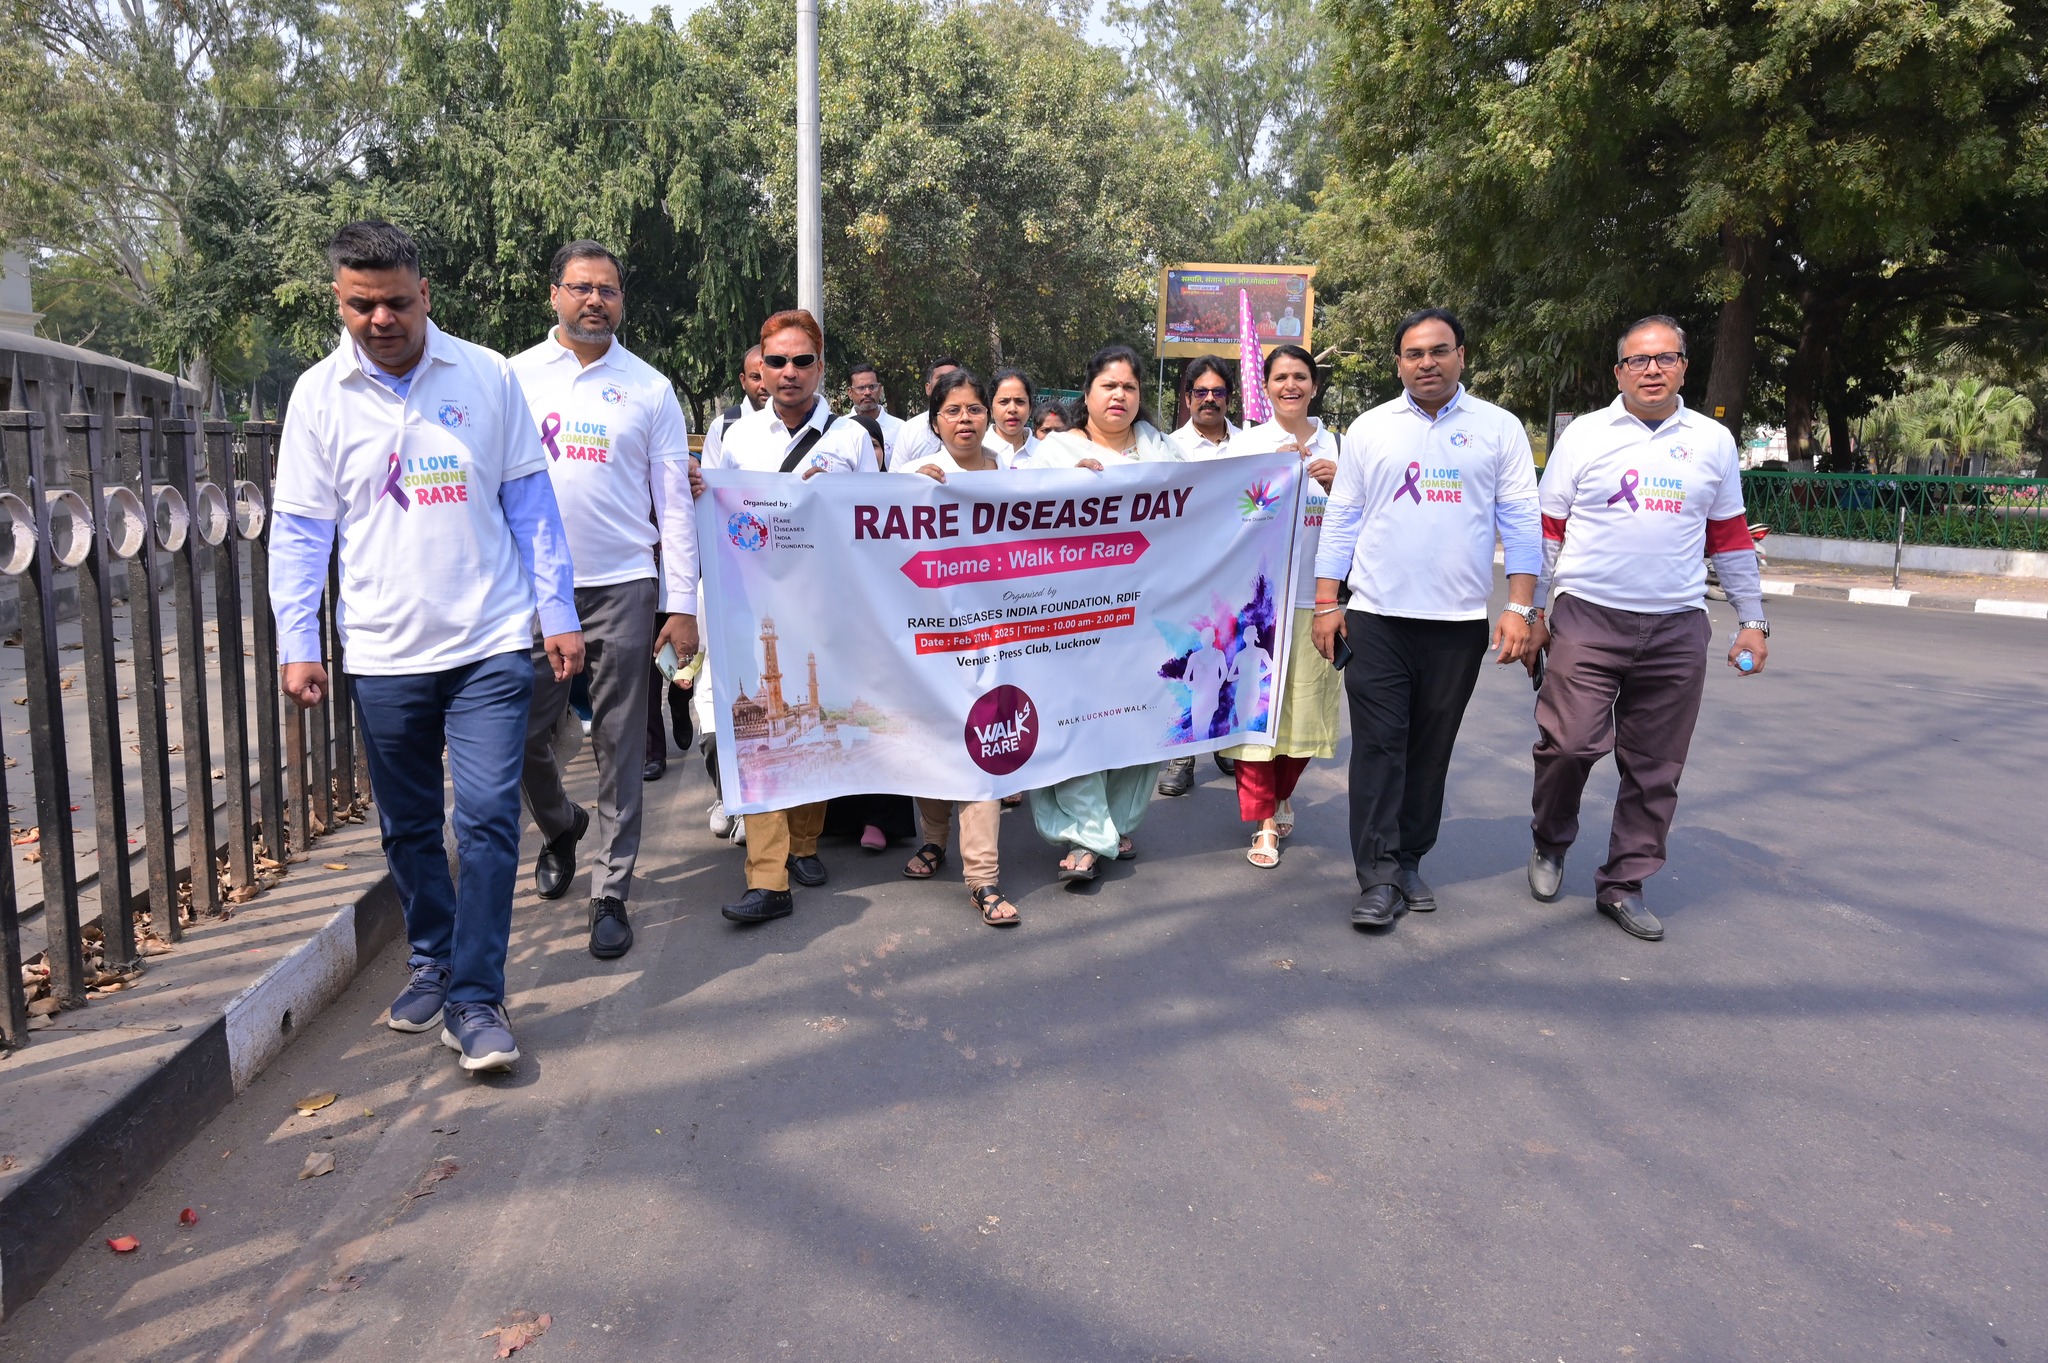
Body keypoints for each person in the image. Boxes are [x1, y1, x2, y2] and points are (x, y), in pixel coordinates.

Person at [271, 220, 583, 1072]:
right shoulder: (316, 397)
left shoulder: (486, 376)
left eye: (397, 302)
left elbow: (531, 505)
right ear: (338, 300)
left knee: (483, 818)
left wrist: (555, 611)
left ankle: (477, 999)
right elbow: (300, 532)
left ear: (425, 296)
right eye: (360, 305)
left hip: (487, 642)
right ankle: (434, 958)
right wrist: (299, 638)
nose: (380, 319)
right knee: (408, 827)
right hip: (381, 652)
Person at [1526, 315, 1769, 942]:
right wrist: (1533, 612)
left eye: (1665, 357)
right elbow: (1547, 529)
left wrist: (1753, 619)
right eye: (1639, 360)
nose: (1652, 369)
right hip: (1588, 614)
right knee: (1570, 745)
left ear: (1685, 365)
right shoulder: (1584, 436)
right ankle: (1550, 842)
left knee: (1656, 766)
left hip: (1677, 625)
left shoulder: (1713, 441)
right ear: (1619, 372)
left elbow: (1730, 539)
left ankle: (1624, 882)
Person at [1312, 308, 1542, 930]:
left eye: (1439, 351)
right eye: (1414, 354)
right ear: (1399, 363)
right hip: (1377, 617)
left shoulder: (1499, 429)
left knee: (1429, 750)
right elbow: (1343, 518)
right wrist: (1327, 602)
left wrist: (1520, 607)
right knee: (1381, 749)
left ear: (1462, 355)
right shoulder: (1368, 428)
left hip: (1457, 623)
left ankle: (1410, 856)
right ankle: (1379, 874)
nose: (1427, 363)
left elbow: (1521, 521)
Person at [509, 240, 696, 962]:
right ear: (553, 293)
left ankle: (610, 888)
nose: (594, 300)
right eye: (581, 287)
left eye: (608, 290)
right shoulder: (512, 378)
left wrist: (679, 602)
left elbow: (674, 505)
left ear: (622, 301)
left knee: (619, 741)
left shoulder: (649, 388)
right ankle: (559, 825)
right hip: (527, 586)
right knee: (518, 732)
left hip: (622, 584)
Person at [704, 309, 876, 925]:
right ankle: (767, 875)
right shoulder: (737, 436)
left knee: (812, 724)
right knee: (761, 736)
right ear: (761, 367)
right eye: (777, 360)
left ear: (821, 367)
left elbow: (871, 524)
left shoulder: (850, 438)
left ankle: (804, 844)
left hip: (825, 605)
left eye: (802, 360)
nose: (789, 372)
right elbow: (718, 518)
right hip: (753, 606)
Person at [1023, 344, 1185, 881]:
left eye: (1130, 387)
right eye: (1109, 385)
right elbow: (1007, 512)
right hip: (1072, 618)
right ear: (1086, 393)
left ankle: (1114, 823)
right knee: (1075, 722)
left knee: (1139, 723)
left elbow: (1199, 517)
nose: (1119, 395)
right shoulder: (1051, 455)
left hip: (1145, 620)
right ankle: (1089, 833)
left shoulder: (1164, 456)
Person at [894, 371, 1020, 927]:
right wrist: (906, 492)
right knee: (934, 743)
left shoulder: (1014, 474)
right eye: (953, 411)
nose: (965, 419)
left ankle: (983, 879)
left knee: (984, 748)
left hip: (998, 635)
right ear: (935, 420)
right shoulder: (910, 476)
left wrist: (1086, 479)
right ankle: (934, 841)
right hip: (929, 636)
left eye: (973, 409)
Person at [1222, 344, 1341, 867]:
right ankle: (1264, 821)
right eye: (1280, 378)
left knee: (1306, 717)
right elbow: (1228, 515)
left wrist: (1339, 486)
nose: (1290, 385)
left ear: (1314, 386)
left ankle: (1284, 789)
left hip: (1320, 602)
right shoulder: (1247, 446)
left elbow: (1364, 519)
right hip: (1258, 605)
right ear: (1265, 387)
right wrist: (1270, 480)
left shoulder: (1341, 446)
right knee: (1255, 718)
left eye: (1300, 377)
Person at [697, 345, 768, 470]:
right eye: (756, 377)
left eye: (768, 376)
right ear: (743, 381)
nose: (764, 385)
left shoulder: (798, 426)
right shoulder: (721, 427)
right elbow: (711, 484)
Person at [887, 356, 962, 470]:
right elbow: (897, 478)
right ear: (928, 388)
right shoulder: (909, 429)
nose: (948, 383)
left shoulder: (974, 424)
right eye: (941, 378)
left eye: (954, 378)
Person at [1169, 356, 1241, 460]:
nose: (1210, 398)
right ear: (1188, 399)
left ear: (1228, 399)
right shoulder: (1171, 447)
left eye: (1218, 392)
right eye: (1201, 392)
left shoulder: (1248, 444)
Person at [982, 367, 1038, 468]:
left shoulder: (1044, 452)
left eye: (1020, 401)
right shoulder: (977, 450)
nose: (1012, 409)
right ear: (991, 409)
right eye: (1004, 402)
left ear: (1030, 408)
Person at [848, 362, 903, 462]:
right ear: (850, 393)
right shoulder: (840, 428)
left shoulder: (900, 429)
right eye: (861, 388)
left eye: (872, 387)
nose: (867, 393)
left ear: (880, 389)